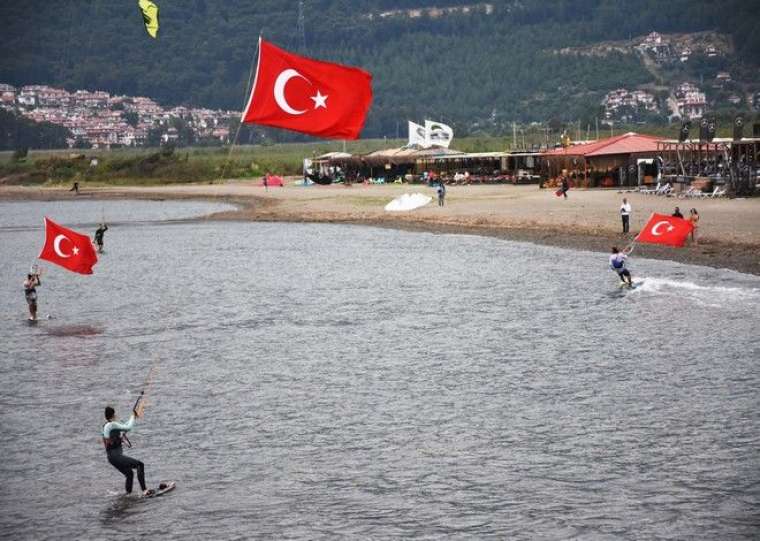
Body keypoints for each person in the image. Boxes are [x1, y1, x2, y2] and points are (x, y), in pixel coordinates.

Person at [102, 402, 153, 496]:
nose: (116, 415)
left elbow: (124, 427)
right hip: (115, 456)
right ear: (113, 415)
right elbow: (128, 427)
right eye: (115, 414)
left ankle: (127, 496)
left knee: (129, 474)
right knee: (140, 465)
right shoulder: (111, 425)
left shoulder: (108, 426)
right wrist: (133, 416)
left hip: (111, 457)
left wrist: (132, 417)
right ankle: (145, 490)